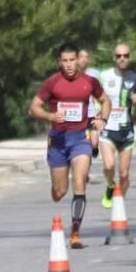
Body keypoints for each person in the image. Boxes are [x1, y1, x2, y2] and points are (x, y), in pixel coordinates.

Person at [29, 42, 110, 248]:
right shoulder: (52, 83)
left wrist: (103, 119)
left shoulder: (89, 82)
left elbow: (105, 101)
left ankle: (75, 233)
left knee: (79, 182)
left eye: (72, 60)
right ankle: (58, 186)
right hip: (58, 141)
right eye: (64, 61)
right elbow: (33, 108)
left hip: (80, 139)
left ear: (78, 59)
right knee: (59, 192)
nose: (69, 65)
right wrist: (50, 115)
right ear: (59, 62)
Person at [96, 44, 136, 208]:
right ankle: (111, 184)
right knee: (109, 165)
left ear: (130, 57)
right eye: (118, 56)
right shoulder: (103, 76)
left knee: (124, 174)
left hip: (126, 130)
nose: (122, 58)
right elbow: (93, 97)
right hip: (107, 128)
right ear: (114, 58)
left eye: (125, 55)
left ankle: (119, 203)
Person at [78, 49, 102, 157]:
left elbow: (102, 94)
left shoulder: (95, 74)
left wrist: (100, 110)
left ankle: (94, 149)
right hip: (78, 114)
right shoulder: (72, 73)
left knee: (94, 143)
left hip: (92, 112)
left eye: (86, 57)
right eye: (81, 57)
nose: (84, 59)